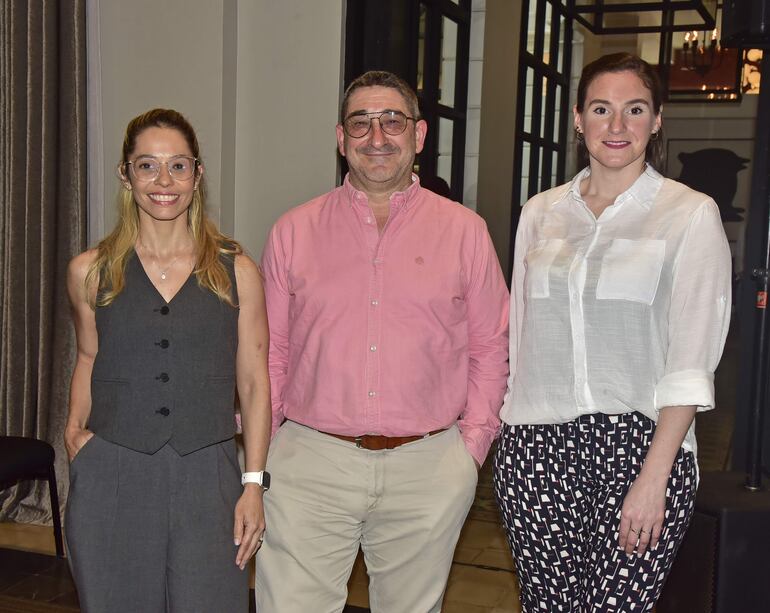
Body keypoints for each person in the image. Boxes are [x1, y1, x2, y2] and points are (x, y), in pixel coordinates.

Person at [256, 71, 510, 613]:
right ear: (340, 138)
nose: (377, 137)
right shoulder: (293, 232)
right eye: (361, 123)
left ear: (418, 136)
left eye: (392, 121)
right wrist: (268, 448)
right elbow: (270, 353)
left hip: (428, 466)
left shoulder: (465, 232)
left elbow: (490, 347)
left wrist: (470, 450)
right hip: (309, 464)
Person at [494, 53, 732, 612]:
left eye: (635, 109)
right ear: (579, 119)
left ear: (657, 120)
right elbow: (521, 340)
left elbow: (691, 359)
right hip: (536, 446)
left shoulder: (689, 215)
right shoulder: (541, 212)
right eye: (602, 109)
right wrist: (510, 440)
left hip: (642, 446)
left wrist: (657, 476)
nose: (617, 126)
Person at [64, 108, 271, 613]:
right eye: (147, 165)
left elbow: (254, 381)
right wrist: (74, 436)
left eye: (178, 166)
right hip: (113, 471)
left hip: (208, 476)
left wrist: (254, 484)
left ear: (197, 176)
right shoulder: (89, 271)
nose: (164, 181)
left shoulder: (236, 271)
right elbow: (89, 355)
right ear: (125, 173)